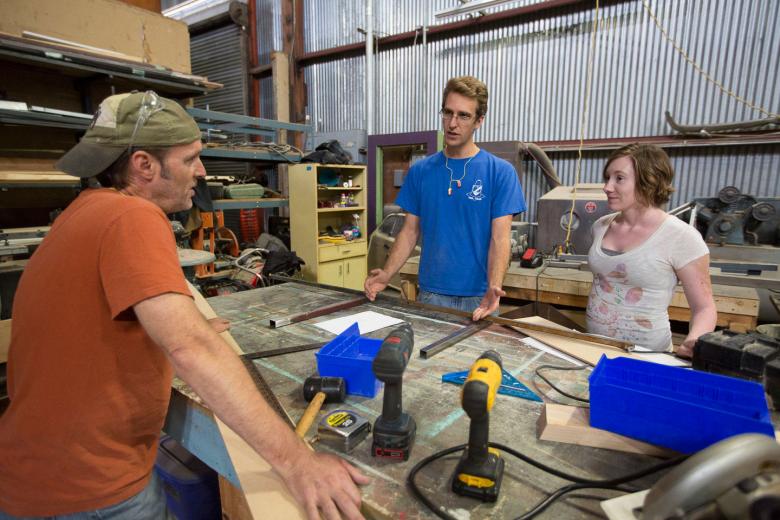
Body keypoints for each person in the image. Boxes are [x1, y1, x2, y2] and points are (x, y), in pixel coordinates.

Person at [0, 91, 368, 519]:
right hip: (90, 490)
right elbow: (191, 350)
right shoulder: (131, 217)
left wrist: (171, 328)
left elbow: (95, 329)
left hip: (37, 473)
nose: (201, 171)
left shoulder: (82, 213)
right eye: (191, 158)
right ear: (144, 165)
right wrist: (297, 462)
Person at [364, 76, 526, 320]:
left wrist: (494, 285)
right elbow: (409, 232)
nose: (452, 123)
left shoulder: (500, 173)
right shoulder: (421, 171)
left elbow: (499, 238)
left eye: (463, 115)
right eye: (447, 113)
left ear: (479, 121)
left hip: (479, 298)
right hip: (431, 294)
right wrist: (387, 274)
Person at [586, 143, 717, 357]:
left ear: (649, 181)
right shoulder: (600, 226)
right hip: (593, 348)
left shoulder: (681, 236)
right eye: (607, 177)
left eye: (619, 178)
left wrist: (695, 340)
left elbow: (704, 308)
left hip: (649, 356)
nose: (607, 187)